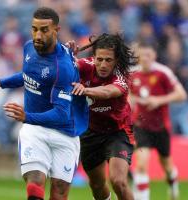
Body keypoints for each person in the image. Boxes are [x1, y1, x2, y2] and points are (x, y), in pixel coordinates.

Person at [0, 7, 88, 200]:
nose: (37, 35)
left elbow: (61, 113)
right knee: (35, 183)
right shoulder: (28, 48)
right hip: (35, 130)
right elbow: (28, 76)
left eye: (44, 30)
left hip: (65, 133)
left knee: (59, 195)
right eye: (34, 29)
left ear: (56, 31)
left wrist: (26, 116)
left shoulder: (63, 68)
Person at [70, 33, 138, 200]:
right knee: (96, 185)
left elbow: (107, 92)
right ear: (94, 57)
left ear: (116, 60)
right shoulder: (84, 66)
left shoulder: (121, 77)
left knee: (118, 182)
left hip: (118, 131)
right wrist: (66, 55)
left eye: (108, 60)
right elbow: (61, 68)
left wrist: (85, 90)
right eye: (99, 59)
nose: (102, 64)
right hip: (90, 132)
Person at [129, 43, 188, 200]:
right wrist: (131, 100)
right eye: (143, 55)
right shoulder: (132, 74)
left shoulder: (163, 73)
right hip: (141, 126)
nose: (146, 58)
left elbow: (182, 95)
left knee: (167, 165)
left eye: (149, 55)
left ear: (154, 56)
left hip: (161, 127)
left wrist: (159, 100)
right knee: (141, 165)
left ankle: (173, 186)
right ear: (139, 56)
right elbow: (126, 94)